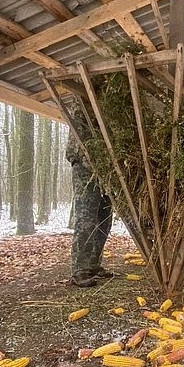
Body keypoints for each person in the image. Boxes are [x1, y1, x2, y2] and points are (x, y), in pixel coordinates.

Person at [65, 97, 114, 287]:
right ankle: (79, 270)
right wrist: (94, 162)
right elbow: (79, 140)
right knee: (86, 217)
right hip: (85, 166)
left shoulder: (105, 106)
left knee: (104, 218)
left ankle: (94, 264)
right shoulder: (80, 103)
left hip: (104, 168)